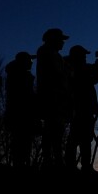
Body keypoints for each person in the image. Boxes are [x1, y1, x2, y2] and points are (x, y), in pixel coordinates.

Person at [64, 45, 98, 175]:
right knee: (79, 138)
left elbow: (91, 74)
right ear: (77, 57)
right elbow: (93, 78)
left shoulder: (76, 68)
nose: (85, 58)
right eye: (83, 56)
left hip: (82, 107)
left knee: (83, 138)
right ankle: (79, 166)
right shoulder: (74, 69)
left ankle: (82, 166)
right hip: (80, 107)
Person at [36, 28, 72, 171]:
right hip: (53, 97)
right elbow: (58, 74)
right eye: (60, 39)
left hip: (55, 96)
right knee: (53, 129)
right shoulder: (47, 52)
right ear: (53, 39)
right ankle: (52, 160)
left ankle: (53, 159)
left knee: (55, 129)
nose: (63, 43)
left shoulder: (50, 53)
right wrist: (68, 70)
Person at [4, 51, 39, 169]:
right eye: (29, 61)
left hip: (21, 114)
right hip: (21, 114)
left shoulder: (18, 74)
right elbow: (25, 96)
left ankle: (22, 163)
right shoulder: (19, 76)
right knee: (21, 141)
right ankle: (20, 164)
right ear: (23, 62)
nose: (31, 63)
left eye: (32, 61)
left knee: (24, 142)